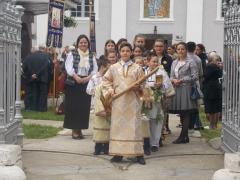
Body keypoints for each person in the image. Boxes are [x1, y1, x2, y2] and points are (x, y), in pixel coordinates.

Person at [102, 42, 146, 165]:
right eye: (123, 51)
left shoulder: (137, 68)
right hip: (119, 102)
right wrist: (111, 91)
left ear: (131, 52)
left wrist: (138, 88)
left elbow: (143, 85)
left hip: (133, 102)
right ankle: (118, 154)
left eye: (127, 50)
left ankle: (138, 154)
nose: (125, 53)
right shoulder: (113, 68)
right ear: (119, 53)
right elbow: (106, 81)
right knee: (119, 128)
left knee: (134, 128)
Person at [64, 34, 98, 139]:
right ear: (78, 43)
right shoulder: (72, 54)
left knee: (83, 107)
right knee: (73, 106)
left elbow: (95, 69)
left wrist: (87, 78)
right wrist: (76, 76)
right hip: (74, 83)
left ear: (88, 44)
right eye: (81, 42)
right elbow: (68, 67)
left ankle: (80, 129)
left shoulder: (91, 55)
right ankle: (74, 130)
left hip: (86, 82)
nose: (83, 44)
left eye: (85, 42)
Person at [169, 42, 199, 144]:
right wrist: (173, 80)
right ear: (176, 51)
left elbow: (195, 76)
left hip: (186, 89)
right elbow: (171, 76)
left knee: (186, 112)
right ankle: (185, 137)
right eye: (178, 49)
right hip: (177, 88)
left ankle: (182, 136)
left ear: (186, 50)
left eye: (182, 49)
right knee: (181, 112)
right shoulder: (174, 62)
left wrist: (182, 80)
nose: (180, 51)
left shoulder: (191, 62)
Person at [145, 52, 174, 152]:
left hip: (158, 100)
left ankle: (155, 143)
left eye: (157, 61)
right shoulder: (143, 71)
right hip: (146, 101)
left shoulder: (161, 72)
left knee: (156, 121)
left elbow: (167, 85)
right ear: (147, 62)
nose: (155, 63)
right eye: (153, 61)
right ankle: (146, 141)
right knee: (146, 121)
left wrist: (161, 86)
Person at [87, 56, 110, 155]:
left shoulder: (109, 78)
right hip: (97, 105)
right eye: (105, 67)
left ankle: (106, 148)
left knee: (108, 126)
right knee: (98, 126)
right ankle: (97, 147)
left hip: (108, 104)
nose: (106, 69)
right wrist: (95, 90)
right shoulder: (94, 77)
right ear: (101, 66)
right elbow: (88, 90)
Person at [22, 45, 50, 112]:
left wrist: (31, 75)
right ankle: (42, 108)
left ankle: (31, 108)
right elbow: (49, 67)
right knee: (43, 94)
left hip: (32, 78)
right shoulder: (46, 56)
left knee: (33, 93)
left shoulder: (28, 57)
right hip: (43, 78)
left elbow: (24, 68)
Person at [187, 42, 204, 131]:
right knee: (195, 105)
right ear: (194, 48)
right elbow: (201, 74)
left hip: (185, 85)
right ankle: (196, 124)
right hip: (195, 84)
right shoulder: (197, 59)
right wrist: (199, 85)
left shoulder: (184, 58)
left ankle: (193, 124)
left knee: (187, 105)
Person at [203, 54, 222, 129]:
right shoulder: (219, 67)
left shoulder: (210, 66)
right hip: (217, 88)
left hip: (210, 89)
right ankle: (215, 125)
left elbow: (206, 76)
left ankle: (211, 125)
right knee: (216, 108)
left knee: (211, 108)